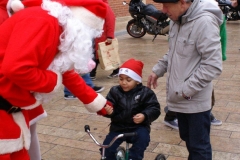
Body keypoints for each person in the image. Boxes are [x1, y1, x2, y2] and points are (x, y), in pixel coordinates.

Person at [0, 0, 113, 159]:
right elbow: (16, 68)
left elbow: (65, 71)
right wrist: (52, 81)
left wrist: (97, 103)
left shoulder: (59, 28)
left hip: (12, 107)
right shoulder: (44, 22)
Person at [147, 0, 223, 159]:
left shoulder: (204, 23)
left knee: (199, 148)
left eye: (167, 5)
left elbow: (213, 65)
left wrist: (184, 91)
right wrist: (158, 70)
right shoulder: (176, 20)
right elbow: (174, 52)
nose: (163, 10)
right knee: (189, 141)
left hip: (194, 103)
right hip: (179, 98)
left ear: (182, 3)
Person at [102, 58, 161, 160]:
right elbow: (108, 105)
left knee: (142, 141)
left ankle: (134, 158)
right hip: (118, 127)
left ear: (137, 81)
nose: (124, 82)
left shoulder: (145, 93)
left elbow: (154, 108)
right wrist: (108, 111)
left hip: (138, 128)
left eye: (128, 80)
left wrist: (145, 115)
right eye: (121, 79)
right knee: (106, 148)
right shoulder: (114, 91)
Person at [90, 0, 119, 80]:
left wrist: (110, 36)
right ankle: (116, 70)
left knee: (100, 54)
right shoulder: (97, 8)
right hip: (97, 36)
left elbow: (111, 21)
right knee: (100, 55)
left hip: (103, 37)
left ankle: (92, 74)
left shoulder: (106, 8)